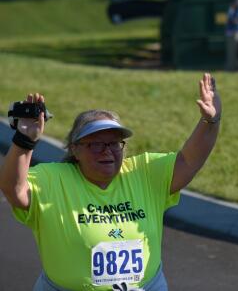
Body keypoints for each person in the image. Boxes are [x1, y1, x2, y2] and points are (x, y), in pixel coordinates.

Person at [0, 73, 221, 290]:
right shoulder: (54, 179)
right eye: (96, 144)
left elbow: (190, 160)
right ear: (75, 149)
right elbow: (14, 189)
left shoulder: (143, 173)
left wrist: (210, 120)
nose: (107, 151)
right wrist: (24, 140)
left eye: (114, 143)